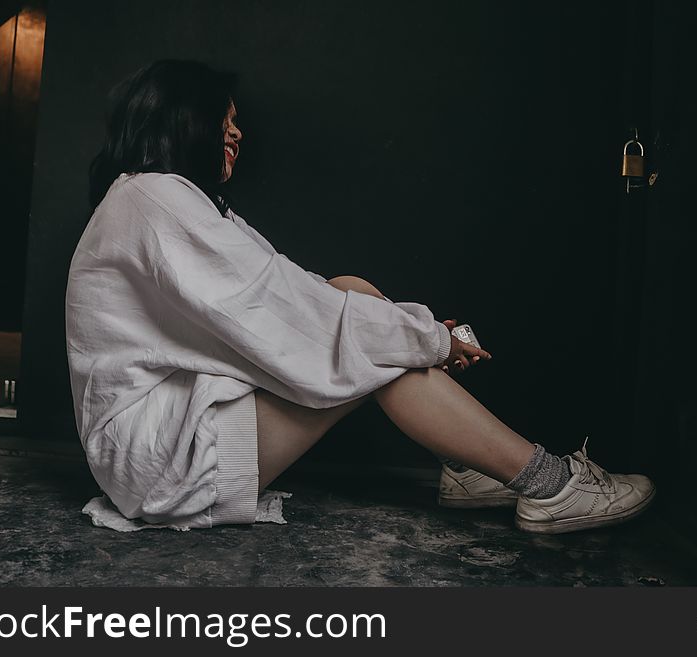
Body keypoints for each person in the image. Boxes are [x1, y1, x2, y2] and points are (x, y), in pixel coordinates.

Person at [68, 59, 655, 534]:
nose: (238, 133)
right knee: (375, 349)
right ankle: (550, 485)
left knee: (352, 303)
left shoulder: (154, 199)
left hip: (162, 438)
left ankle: (467, 464)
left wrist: (406, 331)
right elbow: (285, 311)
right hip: (161, 458)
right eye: (226, 120)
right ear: (186, 119)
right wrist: (424, 339)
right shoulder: (156, 199)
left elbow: (299, 297)